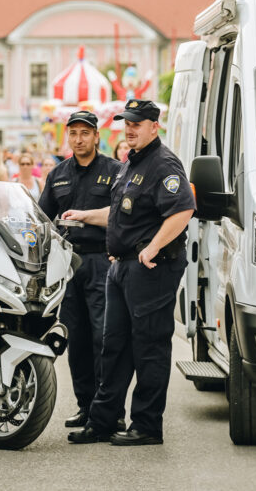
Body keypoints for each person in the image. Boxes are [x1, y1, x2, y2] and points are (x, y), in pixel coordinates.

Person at [65, 100, 195, 446]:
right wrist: (84, 215)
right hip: (122, 267)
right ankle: (103, 422)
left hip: (151, 268)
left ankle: (147, 426)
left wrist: (151, 248)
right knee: (113, 347)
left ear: (154, 126)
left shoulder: (164, 163)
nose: (130, 128)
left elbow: (183, 210)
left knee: (149, 348)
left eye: (137, 123)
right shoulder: (130, 164)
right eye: (127, 122)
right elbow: (119, 213)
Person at [37, 111, 124, 430]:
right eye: (73, 133)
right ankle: (86, 407)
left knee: (104, 338)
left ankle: (110, 411)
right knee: (77, 339)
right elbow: (42, 219)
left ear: (96, 136)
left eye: (85, 133)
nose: (78, 139)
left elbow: (124, 215)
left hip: (102, 260)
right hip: (68, 264)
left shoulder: (115, 171)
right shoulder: (58, 174)